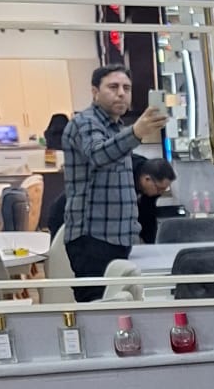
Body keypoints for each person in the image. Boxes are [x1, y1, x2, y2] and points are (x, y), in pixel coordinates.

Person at [60, 67, 166, 301]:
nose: (121, 93)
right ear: (95, 92)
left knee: (117, 308)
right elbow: (98, 154)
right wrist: (136, 132)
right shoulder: (85, 123)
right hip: (93, 240)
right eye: (113, 87)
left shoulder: (115, 128)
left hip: (115, 239)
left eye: (126, 88)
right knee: (99, 310)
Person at [132, 154, 178, 245]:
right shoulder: (126, 174)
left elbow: (148, 216)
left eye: (164, 190)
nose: (160, 193)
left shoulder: (151, 188)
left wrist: (150, 245)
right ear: (147, 179)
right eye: (159, 188)